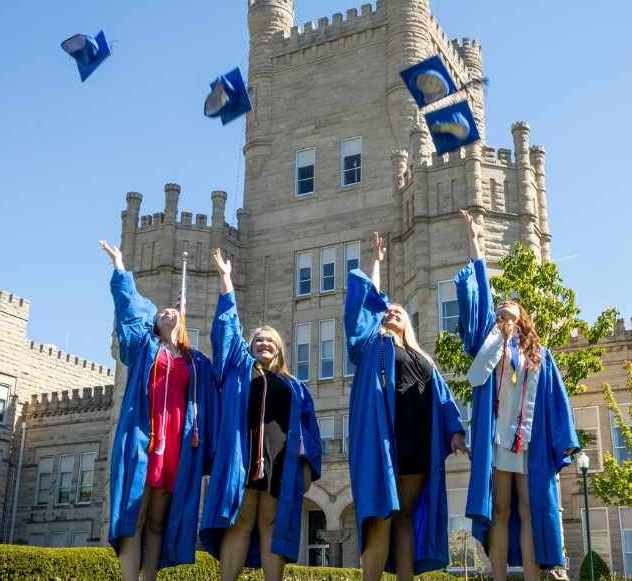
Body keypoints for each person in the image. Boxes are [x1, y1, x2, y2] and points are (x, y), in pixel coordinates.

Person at [453, 211, 580, 581]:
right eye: (499, 304)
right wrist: (474, 241)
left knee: (528, 508)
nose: (504, 302)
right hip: (496, 440)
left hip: (528, 442)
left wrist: (563, 440)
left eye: (512, 302)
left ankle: (530, 577)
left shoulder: (539, 354)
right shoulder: (488, 342)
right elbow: (481, 287)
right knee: (501, 509)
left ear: (524, 316)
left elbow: (556, 399)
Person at [345, 232, 469, 581]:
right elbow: (368, 305)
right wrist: (376, 263)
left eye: (397, 312)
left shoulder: (422, 357)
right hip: (384, 438)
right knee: (380, 514)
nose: (390, 313)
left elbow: (442, 396)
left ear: (407, 321)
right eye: (386, 312)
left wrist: (455, 432)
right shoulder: (372, 345)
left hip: (417, 442)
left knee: (405, 516)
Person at [200, 249, 322, 581]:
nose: (263, 343)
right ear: (249, 347)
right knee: (240, 521)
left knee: (270, 522)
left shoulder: (295, 386)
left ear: (280, 349)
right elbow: (227, 330)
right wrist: (226, 281)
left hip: (279, 461)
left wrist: (308, 467)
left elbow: (310, 431)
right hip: (241, 454)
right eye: (258, 340)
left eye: (270, 341)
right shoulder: (239, 368)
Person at [100, 241, 216, 581]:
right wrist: (121, 267)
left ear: (182, 323)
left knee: (157, 520)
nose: (167, 312)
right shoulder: (143, 346)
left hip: (175, 447)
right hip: (142, 439)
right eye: (161, 312)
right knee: (133, 514)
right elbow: (131, 307)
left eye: (173, 312)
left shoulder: (196, 363)